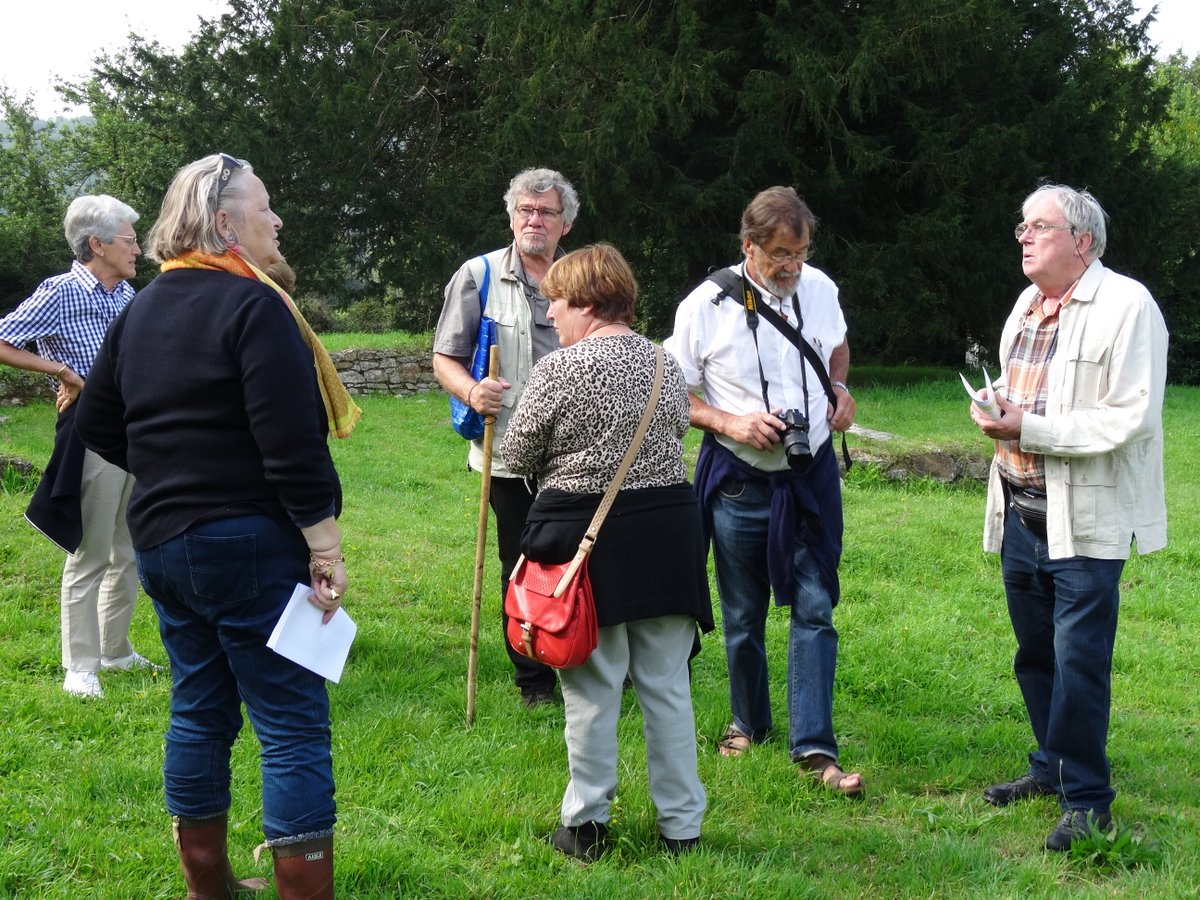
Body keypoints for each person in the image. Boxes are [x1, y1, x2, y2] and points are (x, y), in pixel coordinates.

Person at [74, 153, 361, 898]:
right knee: (291, 724)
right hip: (250, 547)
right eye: (265, 207)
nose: (279, 221)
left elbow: (98, 421)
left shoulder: (145, 306)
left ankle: (209, 887)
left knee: (199, 711)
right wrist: (324, 544)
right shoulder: (254, 305)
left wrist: (175, 463)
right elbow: (291, 443)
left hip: (165, 545)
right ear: (225, 221)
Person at [970, 184, 1168, 852]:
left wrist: (1030, 426)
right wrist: (998, 407)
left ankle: (1089, 802)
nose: (1024, 237)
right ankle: (1052, 768)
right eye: (1021, 225)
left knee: (1079, 662)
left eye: (1040, 226)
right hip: (1021, 513)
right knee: (1036, 657)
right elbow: (1023, 392)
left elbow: (1128, 415)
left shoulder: (1127, 305)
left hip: (1084, 521)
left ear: (1083, 241)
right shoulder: (1030, 303)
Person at [501, 243, 713, 860]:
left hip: (585, 547)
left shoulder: (557, 370)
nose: (551, 318)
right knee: (668, 689)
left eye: (557, 305)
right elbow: (672, 431)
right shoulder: (663, 364)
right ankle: (682, 829)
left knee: (592, 693)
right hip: (669, 537)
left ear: (588, 303)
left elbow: (516, 456)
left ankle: (586, 826)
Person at [663, 186, 863, 795]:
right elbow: (674, 391)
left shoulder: (819, 288)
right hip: (739, 481)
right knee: (744, 613)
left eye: (800, 253)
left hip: (811, 478)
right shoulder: (704, 306)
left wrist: (838, 390)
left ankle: (815, 748)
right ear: (748, 246)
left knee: (815, 606)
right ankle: (748, 721)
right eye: (779, 254)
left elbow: (836, 346)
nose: (791, 267)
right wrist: (730, 422)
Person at [0, 194, 160, 699]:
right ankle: (80, 666)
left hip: (135, 433)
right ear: (98, 244)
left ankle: (114, 651)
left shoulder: (126, 296)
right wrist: (62, 372)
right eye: (131, 240)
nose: (139, 249)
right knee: (90, 551)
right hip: (92, 434)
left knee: (128, 547)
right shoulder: (62, 291)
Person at [433, 167, 580, 708]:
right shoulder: (478, 276)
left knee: (585, 556)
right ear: (511, 215)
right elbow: (444, 358)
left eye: (545, 211)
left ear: (565, 223)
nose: (533, 220)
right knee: (522, 560)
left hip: (579, 454)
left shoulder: (585, 276)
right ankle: (534, 677)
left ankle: (587, 654)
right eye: (525, 210)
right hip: (509, 452)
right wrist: (472, 392)